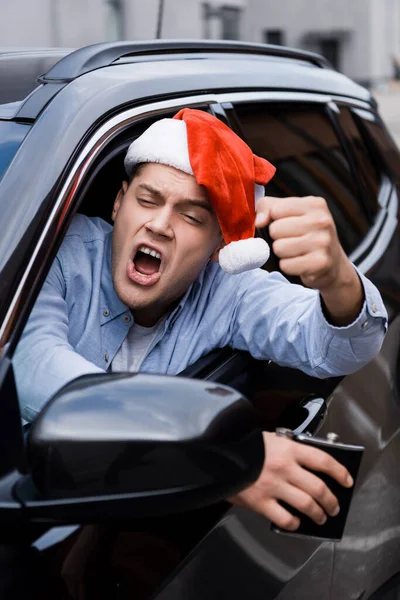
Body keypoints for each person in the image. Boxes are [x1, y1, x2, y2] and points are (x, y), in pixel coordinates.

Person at [14, 108, 387, 532]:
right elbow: (32, 363)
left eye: (191, 216)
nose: (158, 225)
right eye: (147, 200)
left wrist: (338, 278)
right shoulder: (56, 253)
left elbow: (339, 349)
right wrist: (216, 454)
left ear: (219, 246)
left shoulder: (226, 291)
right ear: (119, 203)